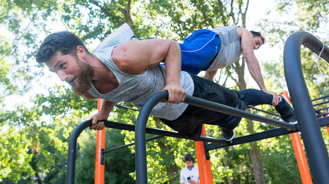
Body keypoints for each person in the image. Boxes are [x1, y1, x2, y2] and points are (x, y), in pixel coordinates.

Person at [35, 31, 295, 141]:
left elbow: (171, 46)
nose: (62, 76)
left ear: (80, 52)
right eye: (54, 71)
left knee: (236, 103)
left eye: (62, 65)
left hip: (189, 91)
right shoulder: (86, 87)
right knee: (197, 133)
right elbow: (111, 91)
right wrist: (104, 113)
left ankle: (279, 102)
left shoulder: (123, 56)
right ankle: (227, 125)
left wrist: (172, 82)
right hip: (168, 112)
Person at [179, 25, 281, 103]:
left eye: (258, 47)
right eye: (257, 43)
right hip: (210, 38)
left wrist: (209, 88)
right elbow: (250, 57)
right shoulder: (246, 33)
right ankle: (166, 49)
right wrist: (263, 89)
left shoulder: (232, 52)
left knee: (181, 77)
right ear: (253, 36)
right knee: (185, 54)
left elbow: (215, 64)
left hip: (206, 61)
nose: (256, 47)